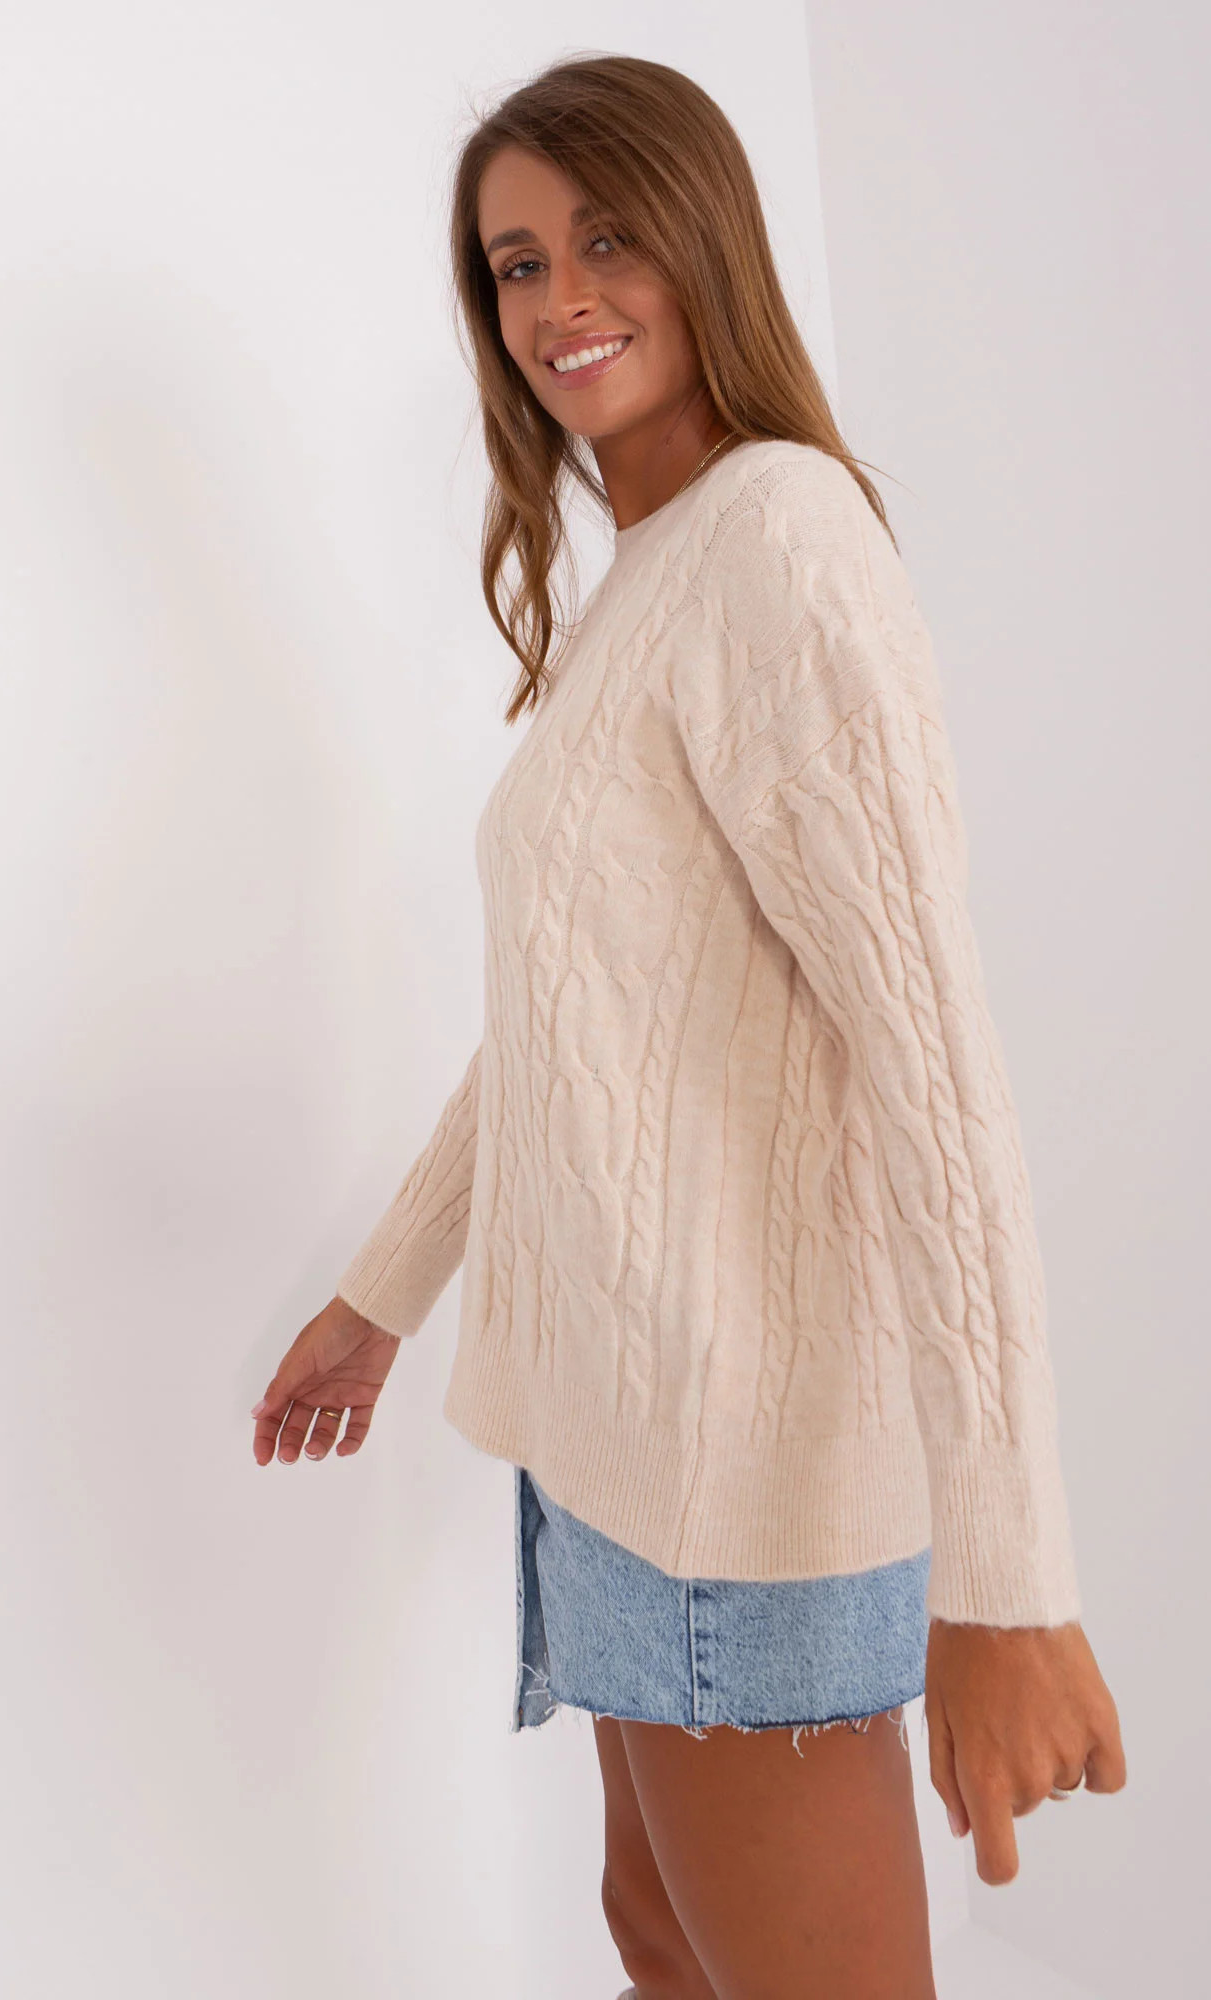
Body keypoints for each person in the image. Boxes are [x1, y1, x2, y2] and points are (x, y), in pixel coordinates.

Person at [249, 52, 1125, 1999]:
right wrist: (386, 1291)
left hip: (748, 1478)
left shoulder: (778, 543)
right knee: (658, 1934)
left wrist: (1009, 1579)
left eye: (608, 240)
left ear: (708, 241)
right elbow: (578, 1022)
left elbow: (938, 1072)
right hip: (618, 1444)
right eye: (515, 264)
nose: (559, 300)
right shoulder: (653, 577)